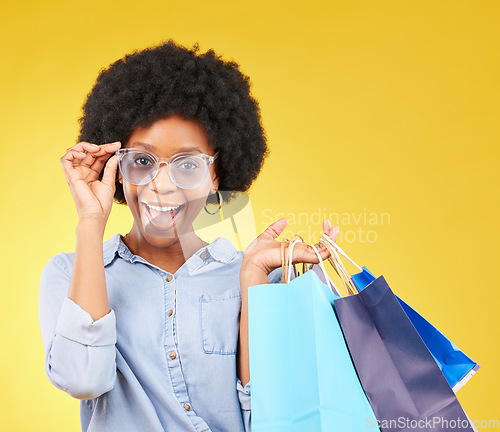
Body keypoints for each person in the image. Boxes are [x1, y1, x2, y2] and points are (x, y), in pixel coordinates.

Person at [38, 39, 339, 432]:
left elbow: (270, 418)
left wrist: (251, 281)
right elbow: (83, 379)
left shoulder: (258, 276)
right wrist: (90, 222)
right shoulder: (68, 274)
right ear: (116, 165)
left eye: (188, 164)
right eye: (142, 161)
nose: (161, 184)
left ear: (216, 175)